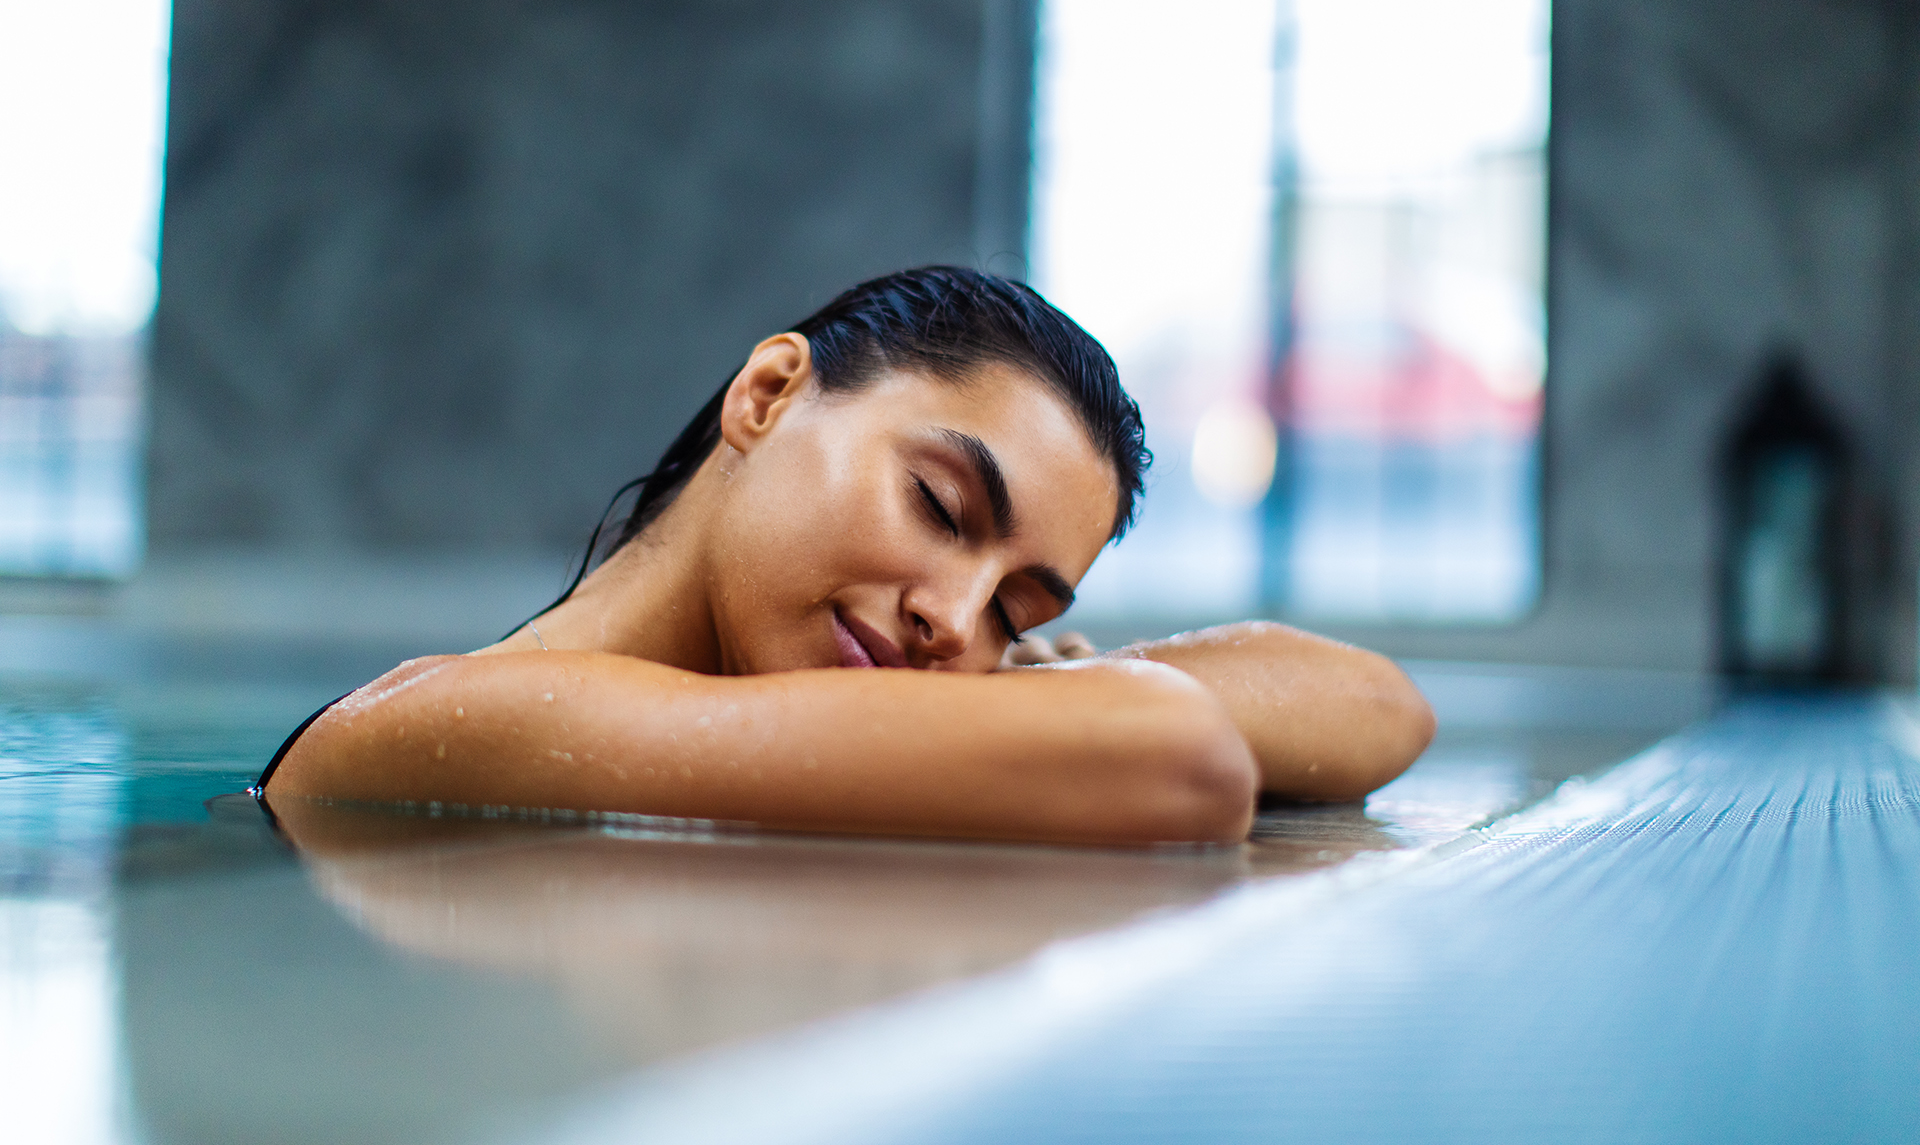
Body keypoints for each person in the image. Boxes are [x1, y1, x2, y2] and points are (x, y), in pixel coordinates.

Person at [257, 268, 1433, 846]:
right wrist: (1033, 701)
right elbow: (1182, 760)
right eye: (939, 504)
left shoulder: (768, 725)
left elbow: (1378, 704)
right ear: (769, 395)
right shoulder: (453, 723)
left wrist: (1010, 693)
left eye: (1015, 614)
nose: (954, 622)